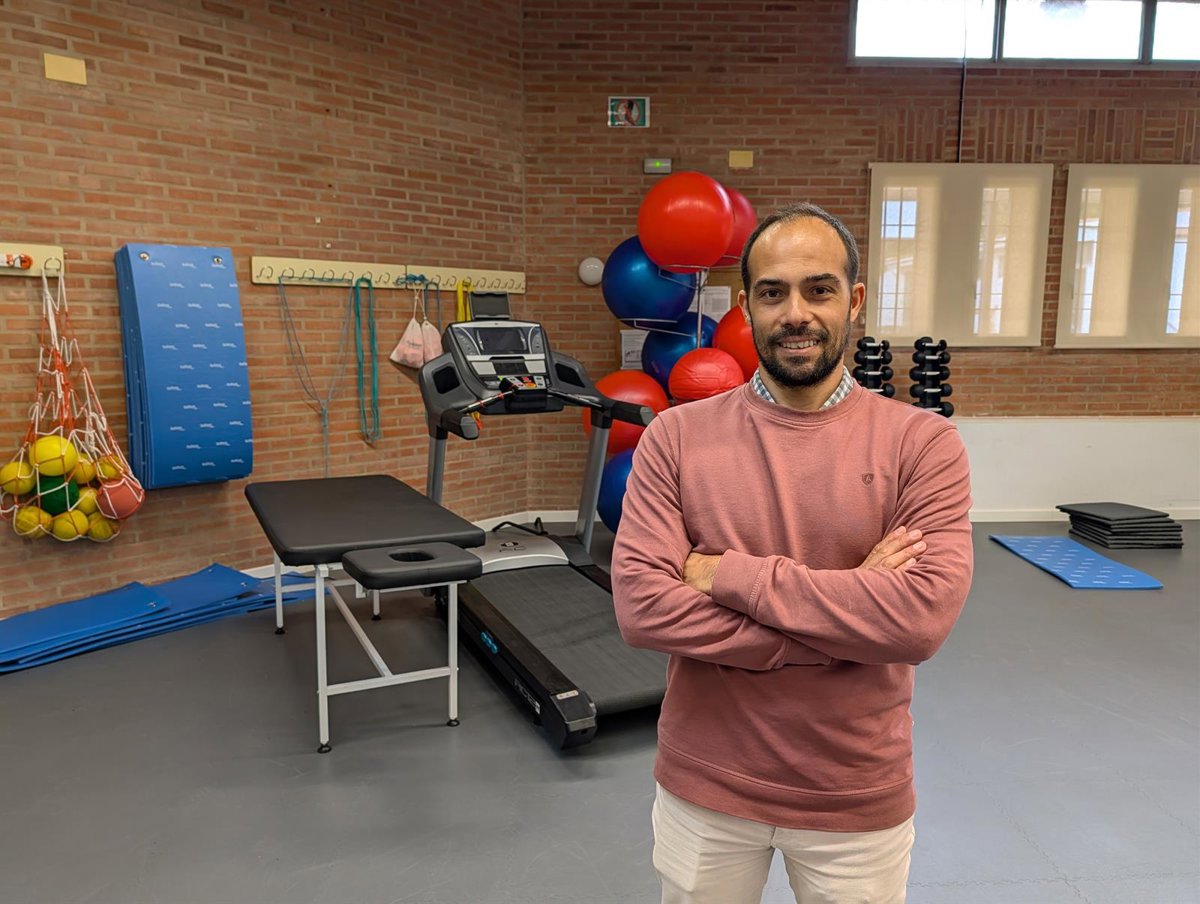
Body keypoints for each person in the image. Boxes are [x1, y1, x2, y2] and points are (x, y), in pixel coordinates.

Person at [611, 202, 974, 904]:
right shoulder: (675, 439)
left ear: (854, 301)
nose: (796, 313)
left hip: (854, 792)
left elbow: (917, 622)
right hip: (705, 785)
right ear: (746, 305)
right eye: (773, 292)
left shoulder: (922, 444)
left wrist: (725, 574)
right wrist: (847, 616)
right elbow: (643, 608)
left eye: (819, 289)